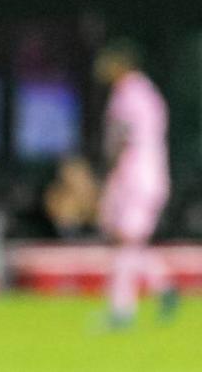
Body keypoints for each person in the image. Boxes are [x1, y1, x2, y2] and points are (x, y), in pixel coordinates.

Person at [94, 40, 178, 328]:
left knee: (125, 241)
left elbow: (121, 134)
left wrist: (107, 169)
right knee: (130, 241)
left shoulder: (128, 92)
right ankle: (163, 287)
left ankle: (121, 310)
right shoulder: (147, 92)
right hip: (149, 173)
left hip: (134, 175)